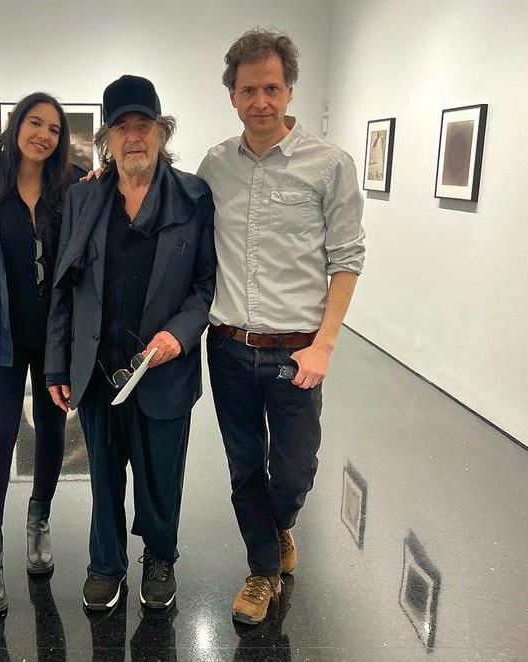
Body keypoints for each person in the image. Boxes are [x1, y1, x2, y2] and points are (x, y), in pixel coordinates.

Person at [197, 28, 366, 625]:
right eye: (248, 90)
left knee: (294, 470)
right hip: (228, 345)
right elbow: (172, 213)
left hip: (297, 352)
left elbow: (347, 259)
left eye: (271, 88)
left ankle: (281, 523)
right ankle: (262, 571)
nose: (261, 101)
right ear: (232, 96)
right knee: (245, 467)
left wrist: (325, 346)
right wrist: (103, 176)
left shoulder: (330, 164)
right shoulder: (215, 165)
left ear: (290, 89)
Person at [45, 75, 216, 612]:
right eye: (122, 128)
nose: (133, 136)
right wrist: (56, 367)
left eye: (144, 125)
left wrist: (179, 336)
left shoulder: (193, 196)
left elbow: (205, 285)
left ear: (162, 132)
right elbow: (65, 286)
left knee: (162, 474)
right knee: (102, 475)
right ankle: (105, 563)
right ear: (107, 140)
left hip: (162, 369)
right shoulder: (84, 197)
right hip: (99, 368)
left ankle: (160, 557)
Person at [0, 92, 85, 613]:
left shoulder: (73, 187)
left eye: (54, 129)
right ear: (16, 126)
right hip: (1, 334)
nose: (43, 136)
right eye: (35, 123)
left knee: (52, 430)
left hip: (56, 335)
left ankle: (39, 521)